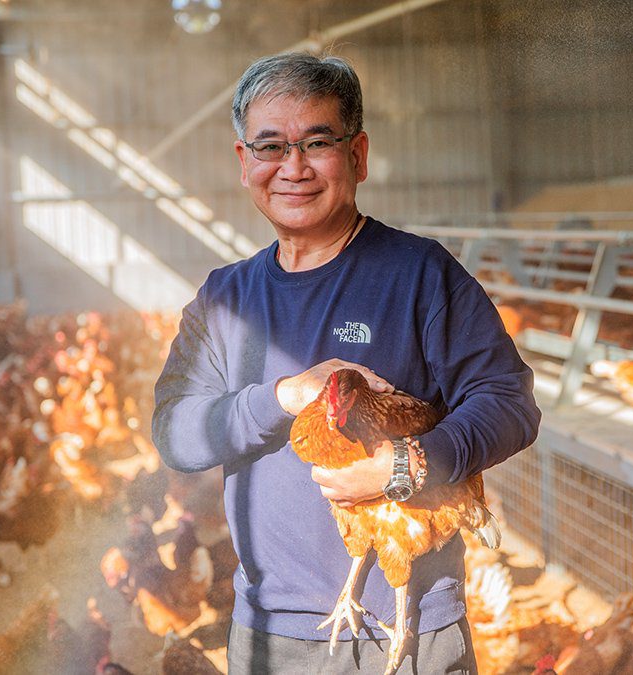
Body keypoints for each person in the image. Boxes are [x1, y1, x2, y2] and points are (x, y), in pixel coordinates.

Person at [152, 52, 540, 674]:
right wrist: (284, 395)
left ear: (358, 155)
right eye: (271, 146)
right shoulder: (224, 298)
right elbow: (174, 433)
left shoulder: (420, 275)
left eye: (318, 142)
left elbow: (510, 401)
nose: (294, 167)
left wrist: (409, 465)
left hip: (404, 630)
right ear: (243, 162)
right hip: (269, 632)